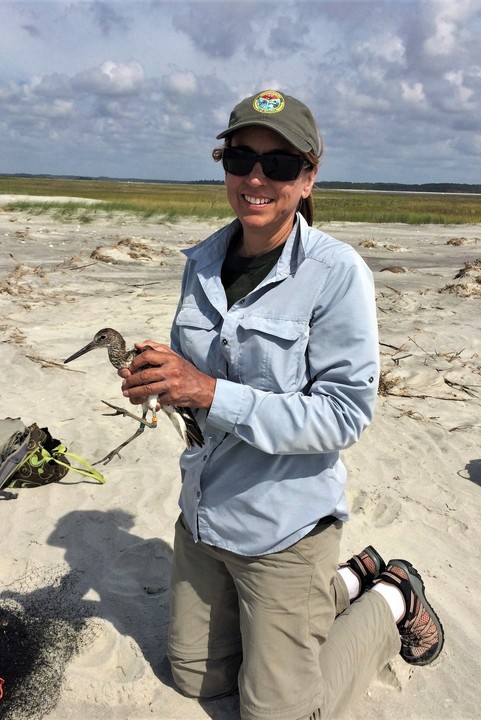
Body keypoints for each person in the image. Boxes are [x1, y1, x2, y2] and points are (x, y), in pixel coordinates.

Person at [119, 89, 444, 720]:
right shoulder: (204, 262)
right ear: (224, 164)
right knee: (194, 681)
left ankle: (391, 596)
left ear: (309, 174)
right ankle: (350, 580)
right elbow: (198, 382)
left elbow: (346, 415)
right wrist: (162, 382)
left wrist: (207, 391)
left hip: (285, 530)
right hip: (205, 516)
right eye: (240, 158)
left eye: (280, 164)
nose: (256, 178)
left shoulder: (336, 273)